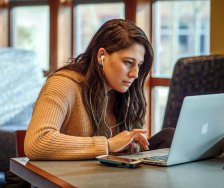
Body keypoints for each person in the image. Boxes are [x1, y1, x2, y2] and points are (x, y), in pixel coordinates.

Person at [24, 19, 174, 160]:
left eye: (139, 65)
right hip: (64, 181)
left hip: (106, 176)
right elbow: (37, 142)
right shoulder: (63, 84)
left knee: (169, 137)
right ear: (102, 56)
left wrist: (131, 146)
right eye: (128, 62)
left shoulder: (123, 93)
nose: (135, 74)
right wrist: (108, 145)